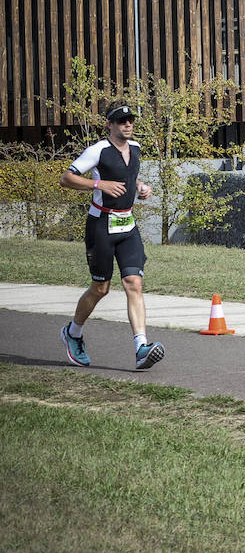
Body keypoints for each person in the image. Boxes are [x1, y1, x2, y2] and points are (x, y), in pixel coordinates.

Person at [57, 104, 163, 370]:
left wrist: (140, 187)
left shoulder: (136, 148)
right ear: (110, 125)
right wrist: (98, 184)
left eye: (130, 120)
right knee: (100, 288)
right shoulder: (98, 151)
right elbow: (66, 178)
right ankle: (73, 333)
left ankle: (141, 347)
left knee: (133, 283)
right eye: (121, 121)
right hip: (101, 226)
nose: (127, 124)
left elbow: (129, 177)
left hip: (127, 225)